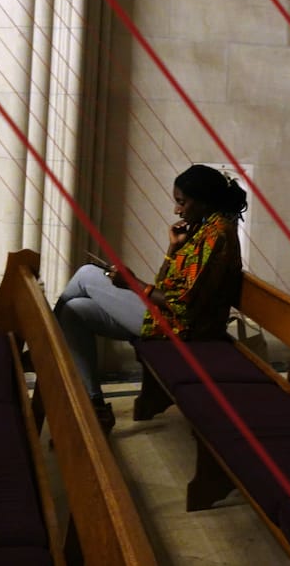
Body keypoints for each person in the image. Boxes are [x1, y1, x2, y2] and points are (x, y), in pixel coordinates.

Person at [54, 164, 246, 431]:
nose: (176, 210)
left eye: (182, 202)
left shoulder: (216, 235)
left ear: (204, 201)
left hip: (187, 327)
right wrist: (173, 247)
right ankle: (95, 405)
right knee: (73, 311)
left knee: (87, 274)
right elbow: (166, 284)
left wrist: (131, 283)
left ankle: (45, 342)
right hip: (174, 318)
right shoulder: (203, 228)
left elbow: (180, 304)